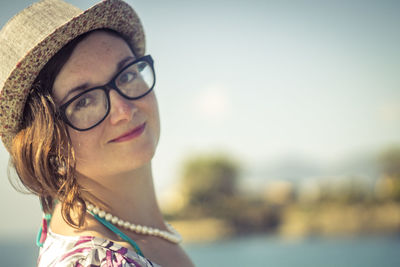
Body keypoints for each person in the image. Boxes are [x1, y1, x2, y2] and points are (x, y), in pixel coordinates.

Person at [0, 0, 194, 266]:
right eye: (83, 101)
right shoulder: (96, 261)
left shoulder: (133, 233)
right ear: (49, 142)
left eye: (126, 75)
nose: (124, 110)